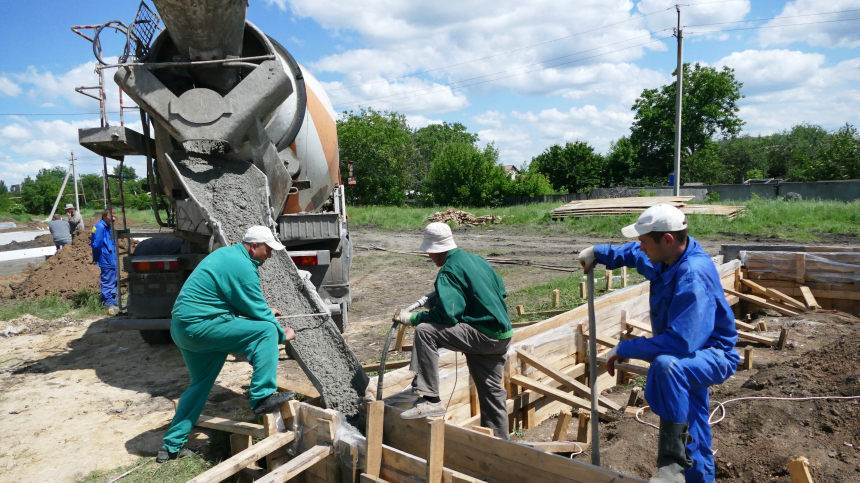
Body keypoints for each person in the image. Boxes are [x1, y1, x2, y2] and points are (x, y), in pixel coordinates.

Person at [578, 204, 738, 483]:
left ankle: (672, 466)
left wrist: (625, 348)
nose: (640, 248)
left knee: (667, 366)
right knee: (693, 421)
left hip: (712, 354)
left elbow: (679, 343)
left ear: (667, 239)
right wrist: (599, 253)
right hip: (690, 353)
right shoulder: (668, 257)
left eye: (644, 241)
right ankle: (697, 478)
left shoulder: (692, 274)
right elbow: (633, 253)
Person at [157, 225, 297, 463]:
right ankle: (262, 397)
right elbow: (256, 311)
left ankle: (171, 447)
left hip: (183, 328)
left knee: (199, 385)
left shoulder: (226, 255)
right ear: (254, 247)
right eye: (268, 250)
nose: (270, 255)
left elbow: (239, 303)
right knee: (265, 332)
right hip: (201, 328)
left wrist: (265, 311)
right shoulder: (244, 267)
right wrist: (281, 334)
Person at [393, 222, 512, 439]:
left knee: (425, 331)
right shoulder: (478, 261)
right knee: (492, 395)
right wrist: (441, 299)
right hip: (501, 335)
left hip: (482, 335)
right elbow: (499, 292)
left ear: (436, 250)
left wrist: (413, 318)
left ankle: (430, 400)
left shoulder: (448, 270)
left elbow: (450, 314)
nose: (430, 257)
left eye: (430, 253)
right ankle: (500, 448)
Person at [91, 209, 118, 311]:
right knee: (107, 280)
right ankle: (108, 303)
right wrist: (97, 257)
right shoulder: (99, 227)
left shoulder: (107, 227)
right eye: (112, 216)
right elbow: (96, 244)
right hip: (106, 257)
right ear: (105, 217)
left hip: (111, 257)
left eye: (115, 216)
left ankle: (113, 300)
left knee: (113, 279)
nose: (114, 219)